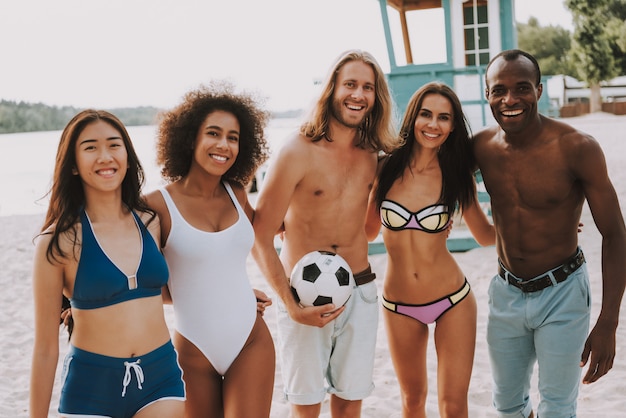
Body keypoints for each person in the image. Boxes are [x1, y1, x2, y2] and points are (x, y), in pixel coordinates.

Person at [474, 49, 626, 418]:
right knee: (507, 406)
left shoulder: (577, 147)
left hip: (563, 293)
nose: (510, 100)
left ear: (539, 91)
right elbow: (423, 169)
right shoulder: (479, 148)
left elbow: (616, 234)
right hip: (505, 293)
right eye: (499, 90)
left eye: (522, 88)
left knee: (558, 408)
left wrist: (608, 323)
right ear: (487, 94)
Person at [251, 49, 399, 418]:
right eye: (350, 84)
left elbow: (369, 230)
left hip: (361, 292)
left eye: (368, 87)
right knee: (306, 405)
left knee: (350, 403)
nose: (358, 94)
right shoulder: (297, 150)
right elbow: (259, 236)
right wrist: (289, 302)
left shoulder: (373, 155)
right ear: (331, 88)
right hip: (304, 294)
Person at [29, 109, 185, 418]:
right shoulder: (57, 242)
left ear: (127, 155)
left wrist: (236, 299)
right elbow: (46, 348)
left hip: (161, 378)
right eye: (90, 147)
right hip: (91, 387)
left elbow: (179, 288)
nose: (105, 156)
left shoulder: (151, 221)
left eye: (114, 145)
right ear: (73, 165)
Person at [144, 81, 275, 418]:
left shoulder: (238, 194)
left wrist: (239, 294)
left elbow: (239, 252)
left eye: (233, 137)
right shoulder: (156, 206)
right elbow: (144, 283)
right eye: (213, 134)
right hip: (192, 351)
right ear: (190, 139)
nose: (224, 145)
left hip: (251, 342)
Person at [364, 82, 495, 417]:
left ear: (452, 126)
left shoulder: (457, 175)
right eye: (426, 114)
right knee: (412, 401)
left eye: (443, 117)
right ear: (413, 117)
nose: (433, 124)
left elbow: (485, 235)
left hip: (453, 301)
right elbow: (366, 231)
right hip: (398, 304)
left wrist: (547, 223)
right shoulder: (384, 168)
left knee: (453, 406)